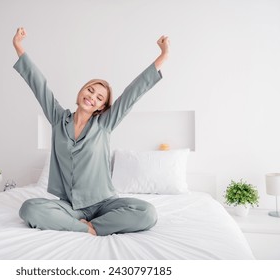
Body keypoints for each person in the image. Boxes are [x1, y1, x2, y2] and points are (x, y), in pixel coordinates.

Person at [13, 27, 169, 236]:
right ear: (81, 91)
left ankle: (94, 227)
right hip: (70, 206)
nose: (92, 97)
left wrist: (163, 56)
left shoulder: (104, 124)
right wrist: (18, 46)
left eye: (99, 98)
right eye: (90, 90)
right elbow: (38, 85)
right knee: (29, 208)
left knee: (147, 212)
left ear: (101, 107)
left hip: (104, 204)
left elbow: (132, 93)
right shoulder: (58, 118)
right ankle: (84, 228)